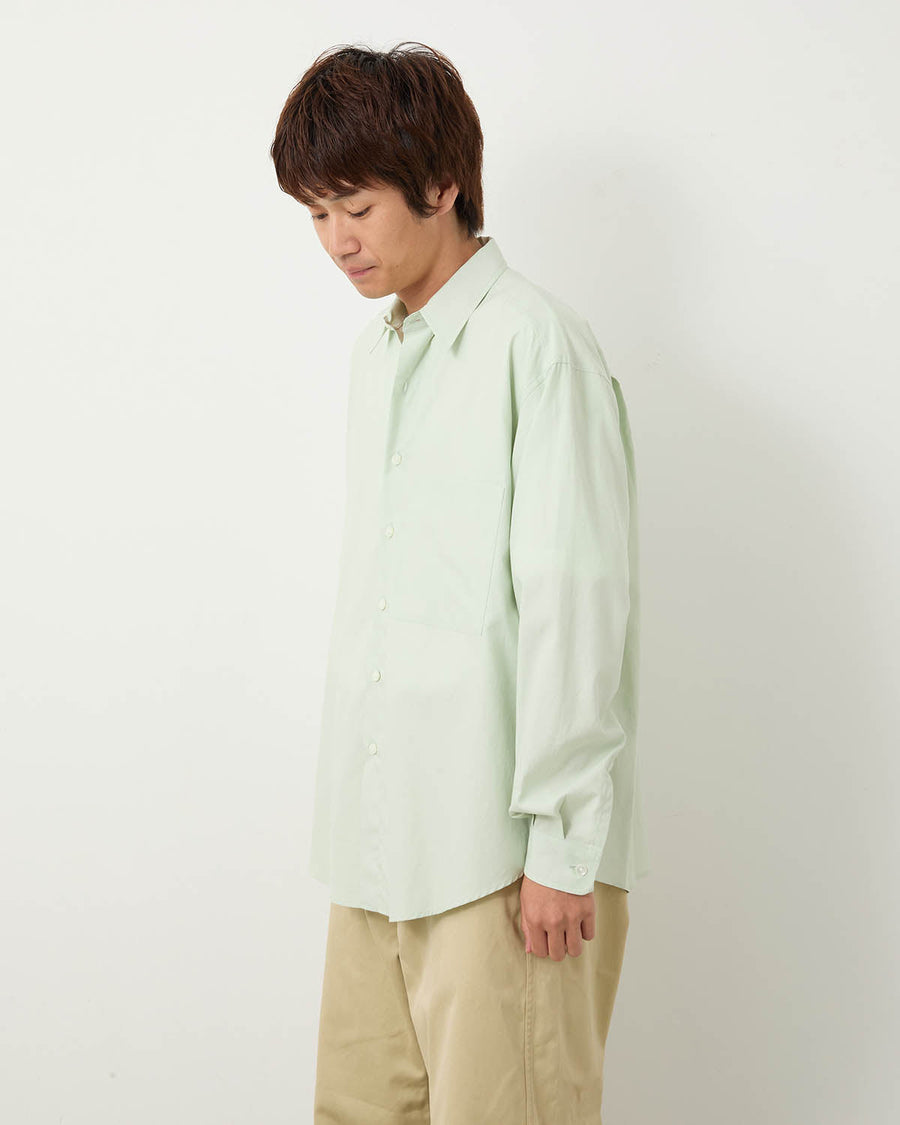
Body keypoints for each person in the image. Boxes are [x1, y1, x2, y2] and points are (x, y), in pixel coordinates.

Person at [270, 39, 650, 1124]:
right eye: (316, 214)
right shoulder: (379, 356)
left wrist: (563, 851)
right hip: (378, 850)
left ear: (442, 184)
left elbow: (576, 606)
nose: (336, 241)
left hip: (502, 856)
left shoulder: (539, 347)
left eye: (356, 207)